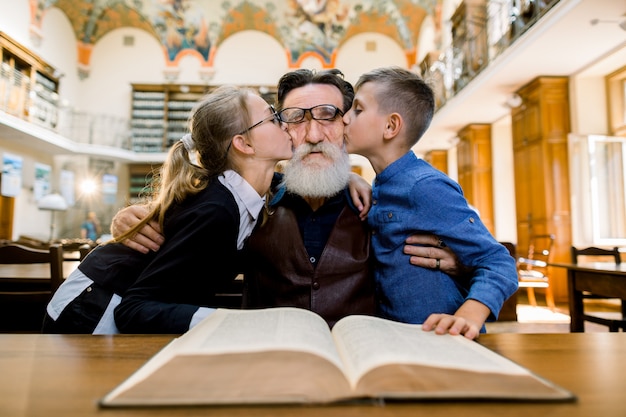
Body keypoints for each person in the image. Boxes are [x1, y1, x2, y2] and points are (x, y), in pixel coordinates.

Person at [111, 69, 462, 328]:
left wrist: (458, 266)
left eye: (328, 115)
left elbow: (484, 263)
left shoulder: (385, 205)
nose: (311, 134)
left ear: (348, 125)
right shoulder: (250, 203)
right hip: (269, 369)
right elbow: (195, 212)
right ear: (280, 129)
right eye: (295, 119)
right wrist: (143, 216)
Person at [42, 85, 293, 334]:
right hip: (92, 306)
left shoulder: (251, 195)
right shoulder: (217, 209)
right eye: (271, 118)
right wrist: (230, 323)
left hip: (121, 300)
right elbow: (133, 310)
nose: (284, 123)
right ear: (244, 144)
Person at [342, 66, 518, 339]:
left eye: (358, 109)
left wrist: (468, 315)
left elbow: (498, 262)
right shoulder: (380, 185)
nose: (344, 119)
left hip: (442, 339)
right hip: (399, 338)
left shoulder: (425, 186)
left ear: (390, 126)